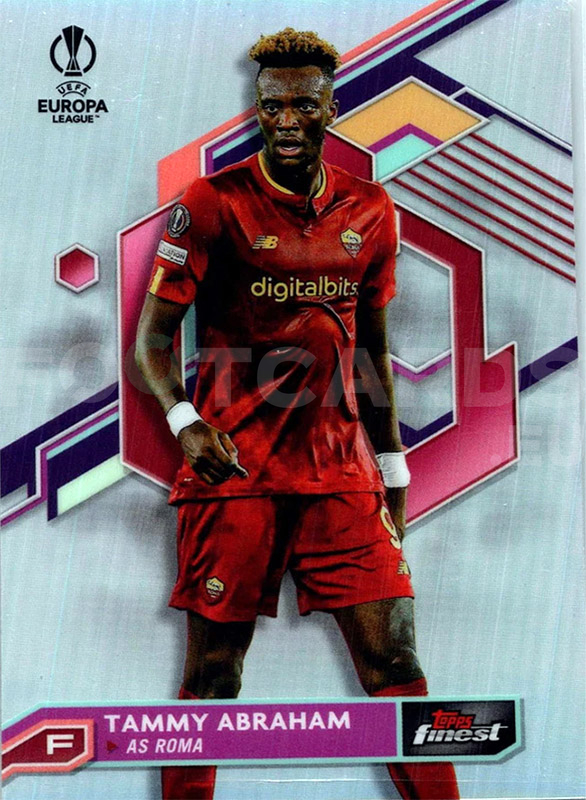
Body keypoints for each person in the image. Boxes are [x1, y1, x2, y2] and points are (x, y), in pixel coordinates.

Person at [135, 27, 459, 800]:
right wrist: (185, 423)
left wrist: (393, 468)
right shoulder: (211, 203)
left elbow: (373, 350)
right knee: (214, 675)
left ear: (330, 109)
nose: (285, 121)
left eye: (303, 106)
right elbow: (150, 342)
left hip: (340, 478)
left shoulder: (371, 209)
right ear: (257, 109)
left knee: (396, 660)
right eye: (272, 105)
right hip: (235, 477)